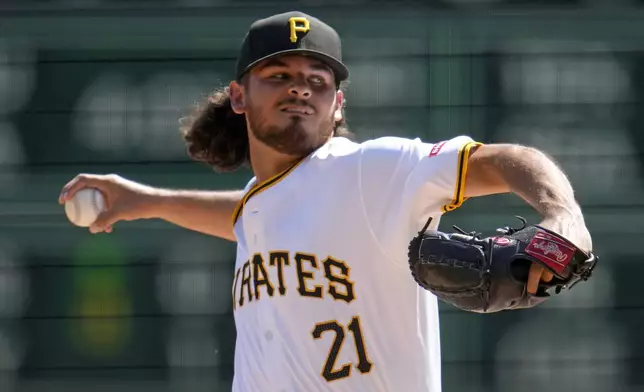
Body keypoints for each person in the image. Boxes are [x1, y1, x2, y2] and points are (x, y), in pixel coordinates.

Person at [58, 11, 592, 392]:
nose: (300, 89)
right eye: (279, 76)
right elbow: (247, 217)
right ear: (239, 96)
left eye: (318, 81)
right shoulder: (261, 204)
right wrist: (145, 200)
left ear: (337, 105)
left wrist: (562, 213)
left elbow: (504, 158)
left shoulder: (369, 170)